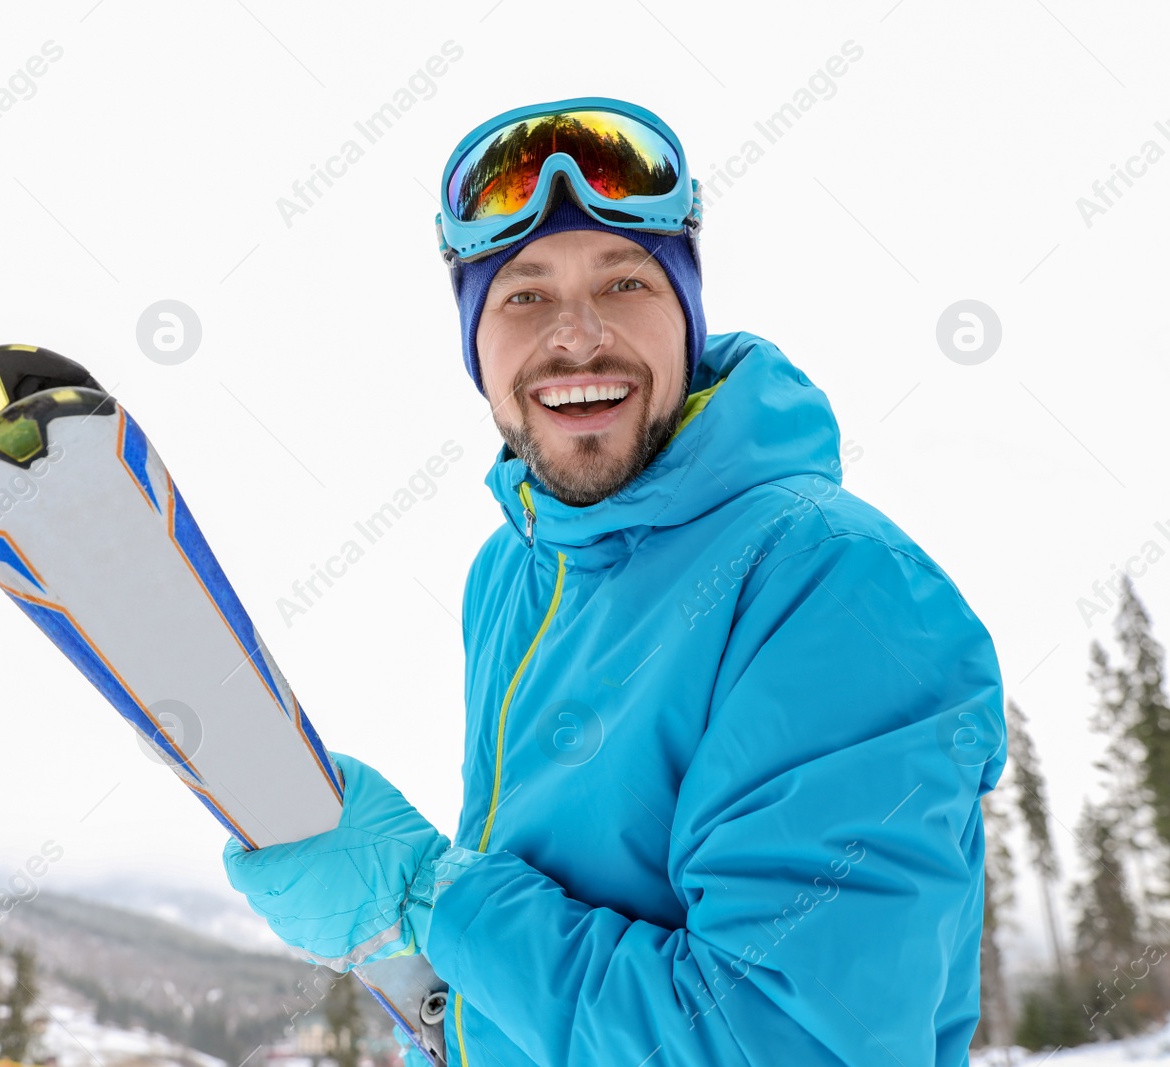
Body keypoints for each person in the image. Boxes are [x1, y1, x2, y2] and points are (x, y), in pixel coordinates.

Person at [223, 97, 1006, 1066]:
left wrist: (432, 894)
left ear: (685, 313)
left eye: (626, 281)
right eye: (522, 293)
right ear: (476, 341)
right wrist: (423, 975)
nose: (576, 335)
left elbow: (781, 1042)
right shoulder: (512, 574)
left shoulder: (836, 583)